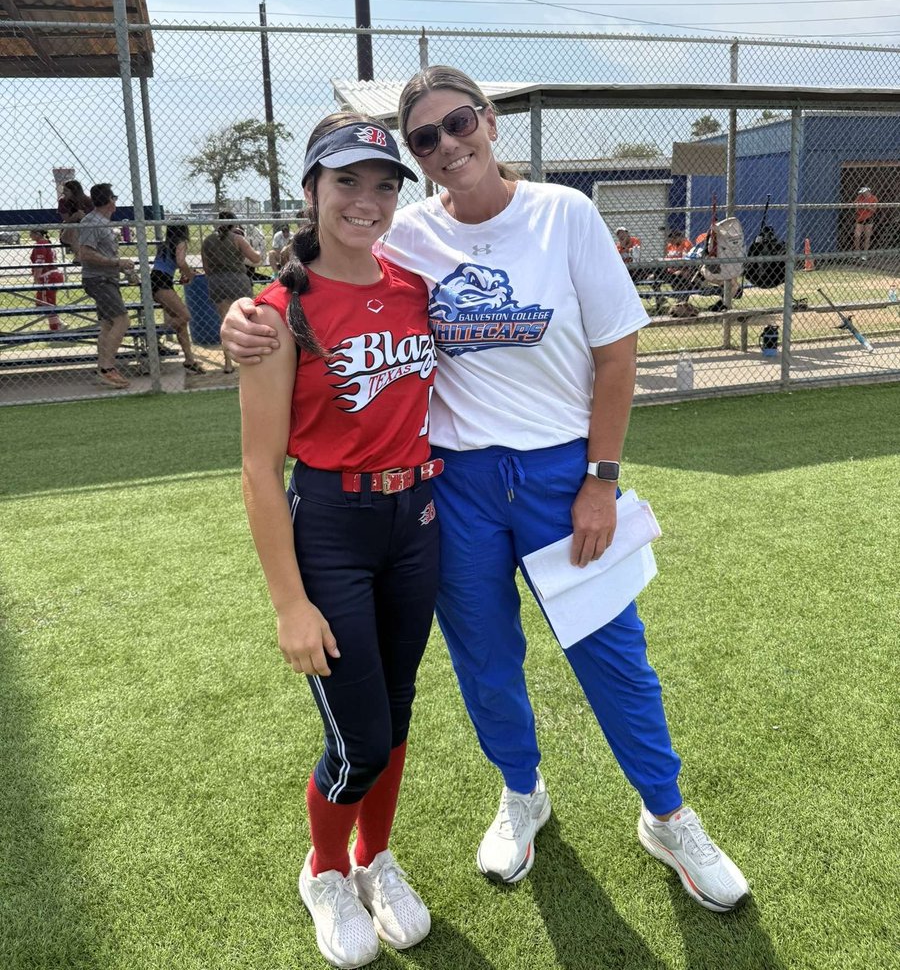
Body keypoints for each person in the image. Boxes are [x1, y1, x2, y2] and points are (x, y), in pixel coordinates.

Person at [221, 67, 750, 914]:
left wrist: (600, 480)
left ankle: (667, 812)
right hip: (454, 483)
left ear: (489, 120)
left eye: (458, 123)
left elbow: (617, 356)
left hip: (562, 473)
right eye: (424, 138)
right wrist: (243, 320)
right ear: (416, 158)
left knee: (613, 653)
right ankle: (521, 792)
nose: (447, 145)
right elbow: (321, 273)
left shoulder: (564, 215)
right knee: (485, 660)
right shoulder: (403, 233)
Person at [240, 114, 439, 968]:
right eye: (347, 181)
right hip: (330, 527)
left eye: (384, 183)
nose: (368, 200)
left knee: (396, 715)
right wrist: (290, 603)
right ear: (313, 190)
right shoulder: (277, 312)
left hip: (416, 520)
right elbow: (257, 469)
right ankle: (323, 868)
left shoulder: (413, 286)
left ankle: (374, 857)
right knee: (357, 736)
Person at [77, 183, 134, 389]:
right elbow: (86, 253)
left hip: (107, 278)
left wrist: (120, 267)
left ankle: (102, 367)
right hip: (98, 280)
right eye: (114, 198)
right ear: (109, 200)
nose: (115, 202)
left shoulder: (103, 222)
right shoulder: (91, 222)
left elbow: (103, 254)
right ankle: (107, 368)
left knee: (108, 324)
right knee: (122, 320)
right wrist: (116, 263)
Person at [200, 213, 263, 373]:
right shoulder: (237, 238)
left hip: (216, 281)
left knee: (225, 323)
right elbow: (255, 258)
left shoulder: (207, 241)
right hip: (237, 280)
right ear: (233, 223)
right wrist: (256, 250)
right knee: (246, 320)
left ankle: (228, 364)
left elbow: (206, 268)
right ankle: (248, 359)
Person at [150, 222, 206, 375]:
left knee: (179, 321)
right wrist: (190, 274)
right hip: (161, 281)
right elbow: (181, 262)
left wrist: (185, 274)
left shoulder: (165, 244)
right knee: (185, 316)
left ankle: (189, 360)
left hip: (159, 279)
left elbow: (170, 264)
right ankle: (154, 335)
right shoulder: (181, 242)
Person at [28, 228, 64, 332]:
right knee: (41, 301)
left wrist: (36, 278)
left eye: (31, 232)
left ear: (37, 233)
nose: (30, 235)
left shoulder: (40, 244)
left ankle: (55, 327)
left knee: (47, 303)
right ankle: (57, 321)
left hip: (47, 275)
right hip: (53, 274)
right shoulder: (47, 243)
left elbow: (40, 263)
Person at [57, 178, 92, 263]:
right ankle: (78, 256)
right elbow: (66, 219)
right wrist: (74, 216)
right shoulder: (62, 201)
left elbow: (94, 218)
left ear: (74, 191)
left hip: (86, 231)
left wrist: (84, 217)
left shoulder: (87, 200)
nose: (63, 192)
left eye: (66, 190)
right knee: (74, 227)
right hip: (69, 232)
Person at [853, 186, 878, 258]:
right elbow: (855, 206)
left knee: (867, 236)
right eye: (862, 193)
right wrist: (859, 206)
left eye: (864, 193)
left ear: (868, 192)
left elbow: (874, 210)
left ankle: (865, 253)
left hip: (869, 218)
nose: (863, 194)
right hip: (860, 218)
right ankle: (857, 251)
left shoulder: (873, 198)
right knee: (857, 235)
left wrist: (867, 207)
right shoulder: (860, 197)